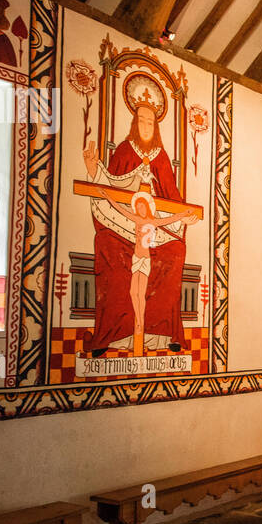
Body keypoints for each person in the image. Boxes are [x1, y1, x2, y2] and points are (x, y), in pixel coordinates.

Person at [81, 98, 192, 355]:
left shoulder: (161, 158)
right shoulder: (123, 150)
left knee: (176, 251)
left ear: (156, 127)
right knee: (106, 244)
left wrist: (184, 216)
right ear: (134, 124)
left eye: (150, 122)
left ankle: (163, 334)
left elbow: (173, 198)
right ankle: (114, 336)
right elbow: (107, 186)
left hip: (154, 231)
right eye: (141, 121)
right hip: (122, 227)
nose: (145, 126)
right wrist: (93, 169)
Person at [112, 193, 197, 354]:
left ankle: (140, 321)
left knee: (141, 292)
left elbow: (168, 220)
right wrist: (109, 198)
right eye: (138, 207)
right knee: (132, 292)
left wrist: (183, 214)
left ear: (147, 207)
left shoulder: (152, 221)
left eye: (142, 206)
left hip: (145, 259)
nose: (140, 209)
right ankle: (138, 317)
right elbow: (120, 210)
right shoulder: (137, 219)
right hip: (136, 258)